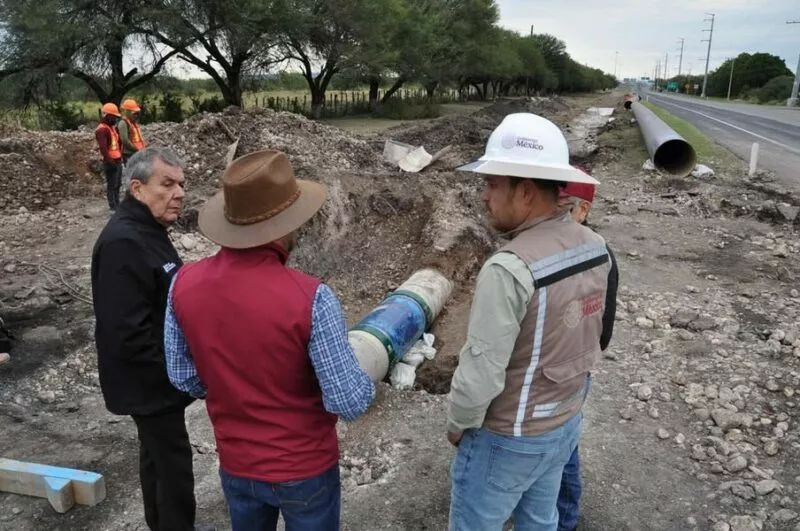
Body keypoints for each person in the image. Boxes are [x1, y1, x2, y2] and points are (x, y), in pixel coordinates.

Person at [164, 149, 375, 531]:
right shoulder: (312, 298)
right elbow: (347, 401)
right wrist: (369, 373)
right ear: (282, 224)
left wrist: (232, 388)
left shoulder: (183, 284)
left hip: (237, 465)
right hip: (305, 469)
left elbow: (182, 376)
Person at [447, 113, 611, 531]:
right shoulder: (596, 246)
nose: (484, 196)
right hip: (564, 422)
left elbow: (481, 372)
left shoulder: (509, 267)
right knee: (540, 521)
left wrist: (459, 423)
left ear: (524, 191)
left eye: (492, 183)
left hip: (509, 437)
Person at [91, 146, 214, 531]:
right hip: (149, 383)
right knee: (173, 468)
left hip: (155, 381)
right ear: (137, 188)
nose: (179, 193)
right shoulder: (124, 242)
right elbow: (127, 332)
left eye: (181, 184)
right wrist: (176, 375)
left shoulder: (148, 231)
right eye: (168, 184)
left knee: (158, 462)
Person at [555, 179, 619, 531]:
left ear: (583, 210)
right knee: (558, 445)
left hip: (571, 371)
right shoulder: (589, 251)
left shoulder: (596, 255)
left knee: (563, 449)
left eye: (565, 207)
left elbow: (603, 332)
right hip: (566, 368)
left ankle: (564, 519)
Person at [95, 103, 124, 212]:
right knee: (112, 184)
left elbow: (117, 144)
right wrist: (110, 161)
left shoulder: (111, 128)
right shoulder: (102, 130)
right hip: (110, 161)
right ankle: (113, 206)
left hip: (117, 159)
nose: (115, 119)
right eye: (114, 117)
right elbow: (103, 148)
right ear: (107, 116)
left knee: (117, 183)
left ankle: (117, 204)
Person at [118, 99, 146, 164]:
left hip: (137, 152)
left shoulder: (133, 123)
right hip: (129, 154)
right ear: (128, 112)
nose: (136, 116)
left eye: (137, 114)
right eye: (134, 114)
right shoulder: (123, 123)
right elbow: (125, 141)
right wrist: (136, 149)